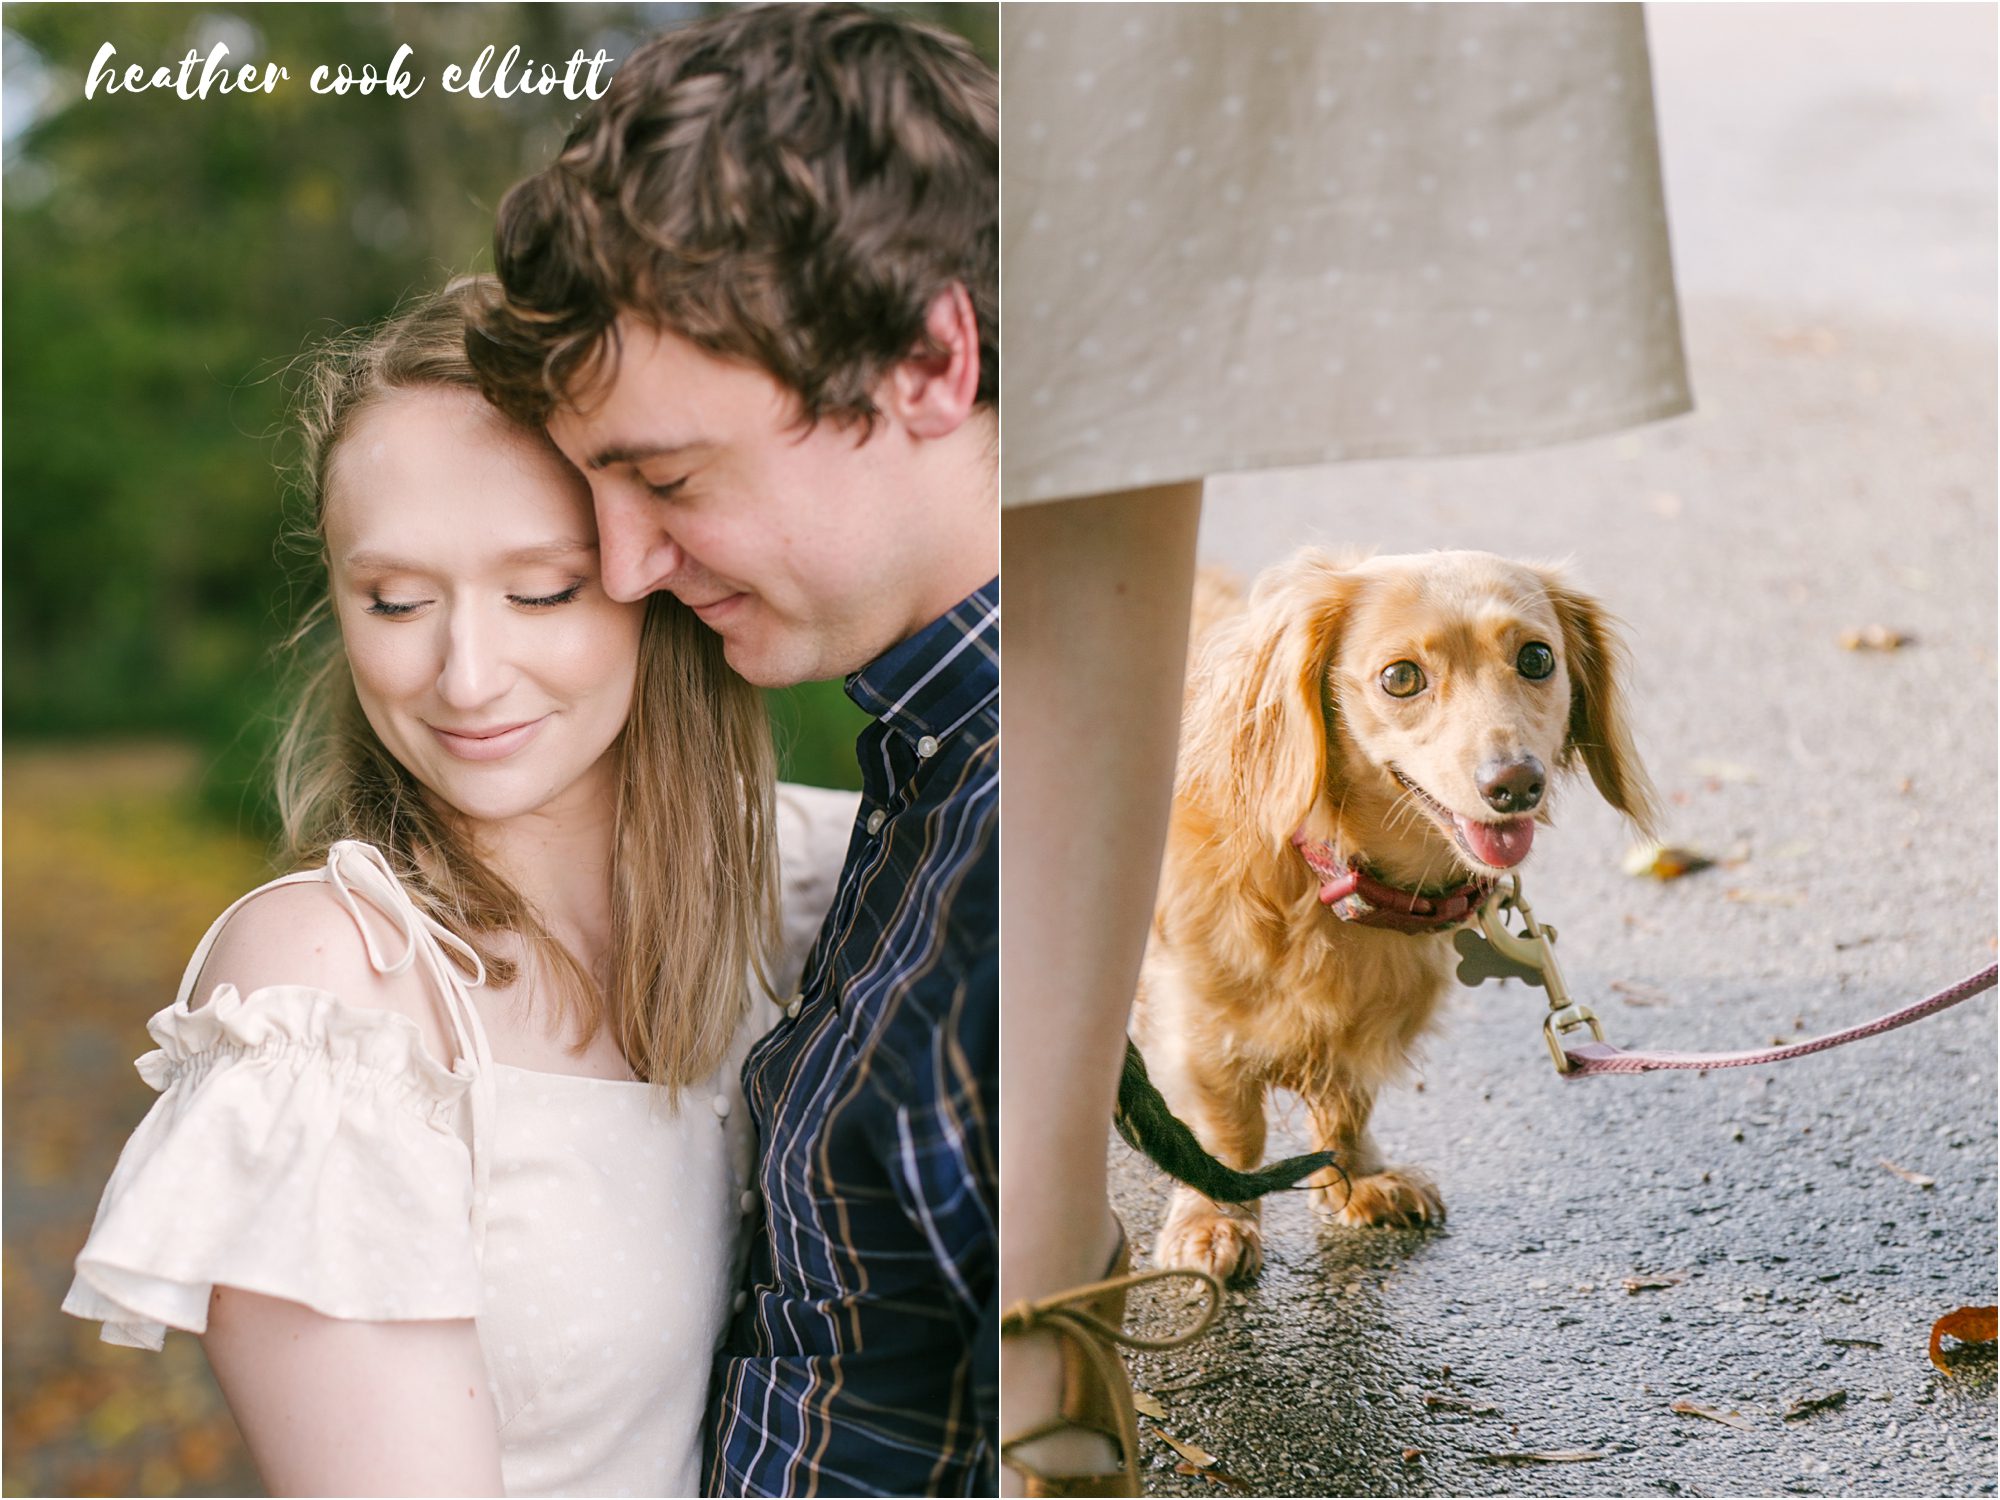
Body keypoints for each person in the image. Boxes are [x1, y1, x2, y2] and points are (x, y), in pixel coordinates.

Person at [999, 6, 1692, 1495]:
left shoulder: (1459, 833)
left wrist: (1358, 1152)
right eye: (1407, 687)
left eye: (1529, 670)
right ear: (1322, 706)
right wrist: (1220, 1173)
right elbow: (1202, 1016)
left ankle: (1350, 1151)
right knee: (1214, 1018)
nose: (1497, 746)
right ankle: (1214, 1179)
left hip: (1379, 904)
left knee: (1364, 1013)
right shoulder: (1224, 809)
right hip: (1227, 945)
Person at [62, 277, 857, 1496]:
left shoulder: (789, 882)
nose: (466, 675)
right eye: (396, 600)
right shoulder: (334, 998)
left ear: (663, 580)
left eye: (541, 590)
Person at [465, 5, 998, 1494]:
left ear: (925, 358)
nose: (626, 567)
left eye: (670, 480)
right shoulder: (926, 778)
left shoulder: (1027, 845)